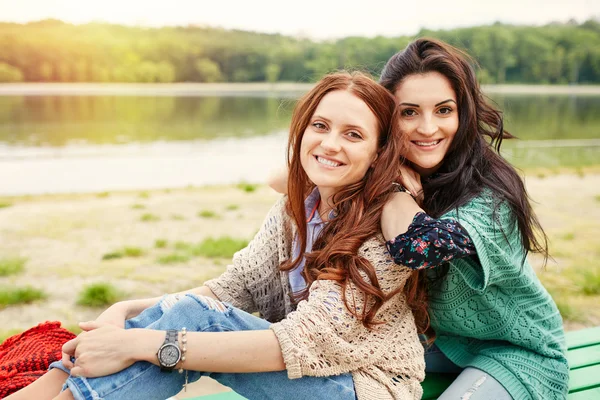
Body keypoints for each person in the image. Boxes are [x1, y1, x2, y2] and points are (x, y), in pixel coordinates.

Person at [6, 71, 426, 400]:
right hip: (308, 368)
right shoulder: (295, 210)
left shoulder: (382, 233)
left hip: (364, 387)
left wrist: (140, 342)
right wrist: (126, 311)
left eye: (353, 134)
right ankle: (54, 386)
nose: (330, 143)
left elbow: (299, 341)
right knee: (186, 317)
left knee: (193, 325)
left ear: (377, 154)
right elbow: (231, 289)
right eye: (321, 125)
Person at [269, 39, 569, 400]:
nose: (427, 128)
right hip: (432, 346)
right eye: (408, 112)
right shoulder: (390, 168)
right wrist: (374, 165)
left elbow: (418, 248)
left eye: (444, 110)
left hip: (516, 353)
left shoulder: (490, 196)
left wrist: (395, 190)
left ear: (464, 113)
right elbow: (280, 179)